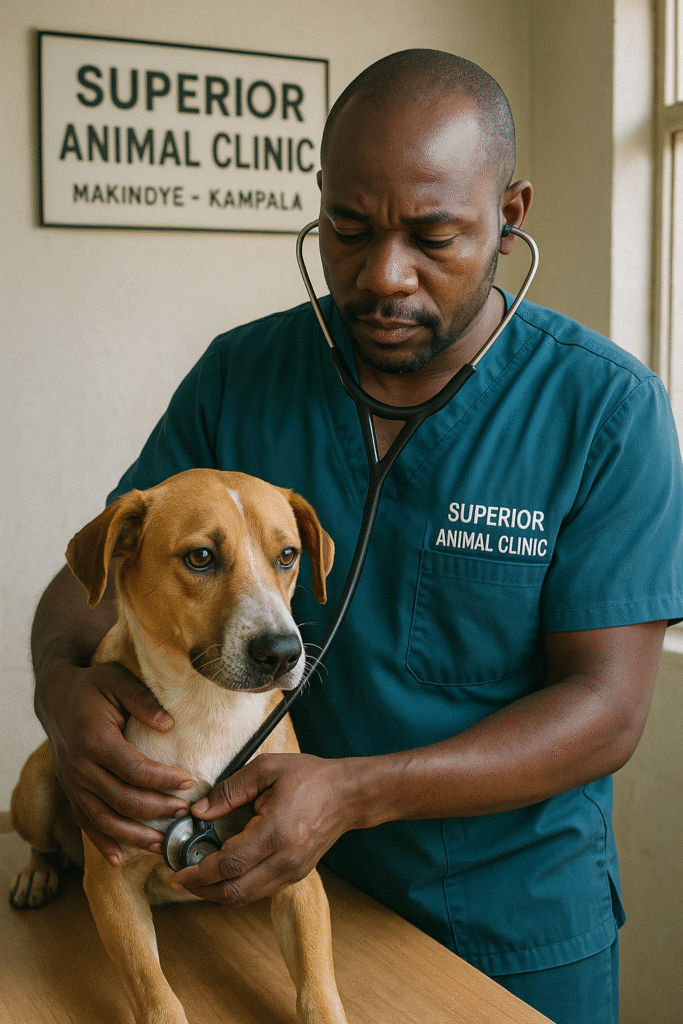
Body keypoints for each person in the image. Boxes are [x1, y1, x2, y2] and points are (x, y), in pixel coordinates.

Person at [31, 50, 683, 1024]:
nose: (382, 275)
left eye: (432, 235)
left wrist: (349, 793)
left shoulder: (604, 409)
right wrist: (61, 691)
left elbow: (603, 708)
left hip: (509, 916)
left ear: (509, 218)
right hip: (264, 893)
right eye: (347, 228)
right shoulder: (240, 374)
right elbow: (93, 574)